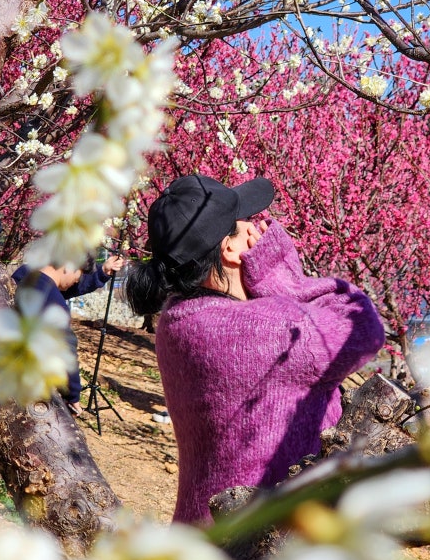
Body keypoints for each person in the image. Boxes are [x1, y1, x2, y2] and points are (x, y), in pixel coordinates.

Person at [125, 174, 385, 524]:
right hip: (267, 554)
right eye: (245, 219)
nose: (256, 227)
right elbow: (364, 328)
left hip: (204, 536)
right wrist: (283, 279)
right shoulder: (266, 330)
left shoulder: (178, 318)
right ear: (230, 249)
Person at [13, 254, 124, 416]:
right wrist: (72, 395)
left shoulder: (23, 277)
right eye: (78, 275)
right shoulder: (53, 302)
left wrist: (103, 272)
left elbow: (65, 286)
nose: (77, 281)